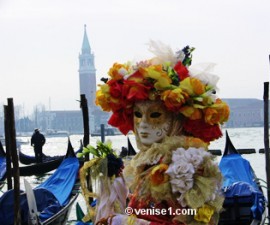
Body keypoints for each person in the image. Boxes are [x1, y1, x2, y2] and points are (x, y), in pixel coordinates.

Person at [81, 41, 230, 225]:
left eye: (155, 115)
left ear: (176, 120)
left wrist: (124, 222)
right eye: (137, 115)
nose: (143, 124)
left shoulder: (187, 166)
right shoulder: (143, 162)